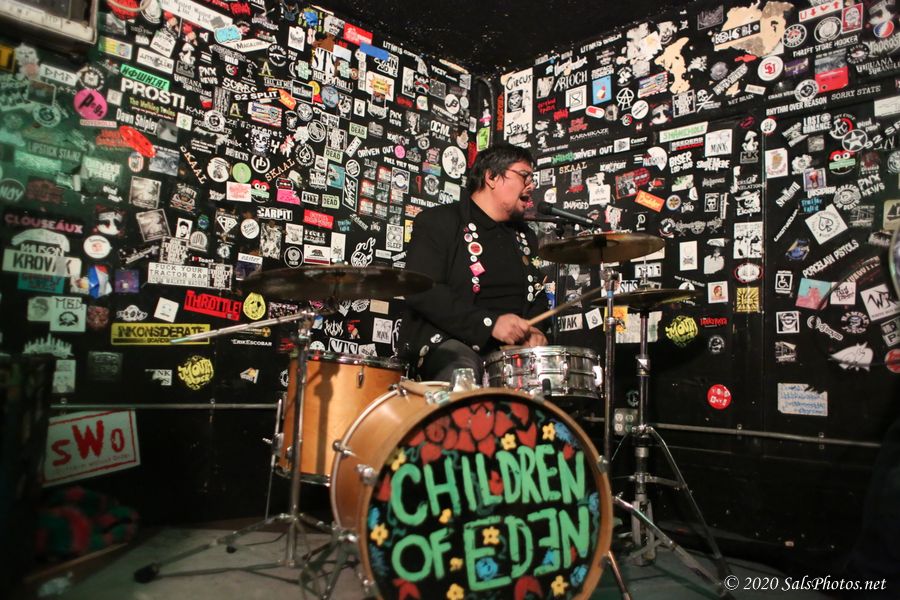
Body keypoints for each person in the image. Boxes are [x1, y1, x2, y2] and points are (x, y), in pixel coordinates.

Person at [399, 143, 549, 382]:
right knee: (463, 371)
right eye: (524, 176)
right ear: (492, 177)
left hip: (511, 354)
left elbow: (538, 295)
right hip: (450, 342)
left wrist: (536, 331)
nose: (531, 185)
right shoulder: (439, 221)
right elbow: (423, 290)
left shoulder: (526, 236)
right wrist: (490, 324)